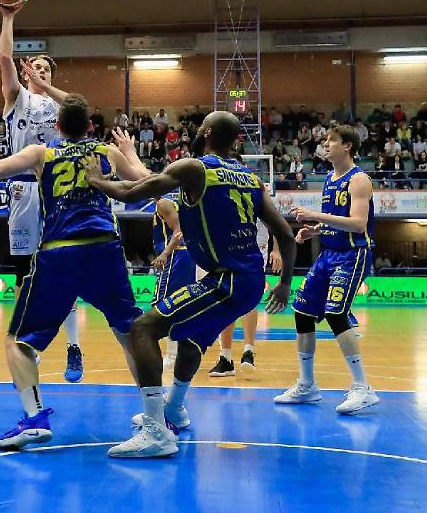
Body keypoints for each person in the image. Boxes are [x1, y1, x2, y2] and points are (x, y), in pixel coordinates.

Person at [0, 94, 148, 451]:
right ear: (91, 127)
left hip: (60, 252)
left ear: (58, 127)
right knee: (130, 334)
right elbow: (145, 181)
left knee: (17, 342)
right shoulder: (106, 153)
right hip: (103, 248)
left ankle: (35, 420)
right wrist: (129, 152)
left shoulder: (41, 153)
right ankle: (159, 413)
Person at [85, 111, 297, 458]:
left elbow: (133, 190)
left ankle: (156, 431)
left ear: (207, 131)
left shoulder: (195, 168)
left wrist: (97, 182)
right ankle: (174, 410)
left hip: (226, 280)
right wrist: (285, 282)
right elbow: (286, 234)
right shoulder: (249, 179)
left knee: (142, 328)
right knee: (189, 339)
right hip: (248, 281)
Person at [0, 4, 84, 382]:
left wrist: (46, 84)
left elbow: (80, 106)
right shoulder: (16, 97)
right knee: (25, 274)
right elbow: (3, 56)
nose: (40, 71)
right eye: (36, 67)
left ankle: (74, 346)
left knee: (63, 270)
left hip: (57, 188)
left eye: (46, 68)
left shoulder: (59, 105)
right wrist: (8, 17)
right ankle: (28, 340)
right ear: (24, 71)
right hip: (22, 191)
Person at [272, 125, 379, 415]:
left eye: (331, 140)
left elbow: (357, 224)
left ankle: (362, 388)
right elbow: (338, 218)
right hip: (328, 254)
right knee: (303, 310)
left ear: (347, 146)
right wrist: (315, 230)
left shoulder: (358, 180)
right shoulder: (330, 178)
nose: (325, 144)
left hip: (352, 254)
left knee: (335, 312)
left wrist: (315, 215)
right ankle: (307, 386)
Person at [210, 187, 283, 377]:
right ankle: (225, 357)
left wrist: (276, 249)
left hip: (256, 247)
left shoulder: (258, 190)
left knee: (249, 300)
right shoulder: (222, 190)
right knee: (226, 300)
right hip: (229, 248)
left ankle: (248, 351)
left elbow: (276, 223)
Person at [150, 195, 195, 370]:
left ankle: (173, 354)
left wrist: (165, 253)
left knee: (164, 305)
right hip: (183, 256)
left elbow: (178, 230)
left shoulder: (164, 202)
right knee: (179, 305)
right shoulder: (177, 201)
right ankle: (180, 352)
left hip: (176, 256)